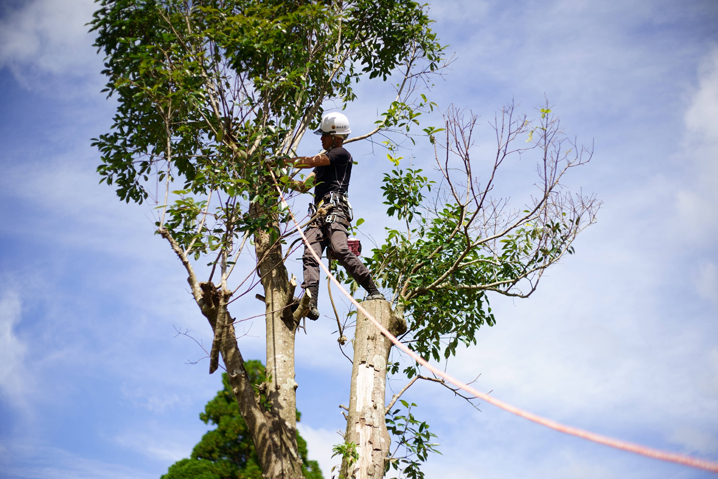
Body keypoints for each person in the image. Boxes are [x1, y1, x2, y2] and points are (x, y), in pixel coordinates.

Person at [287, 112, 384, 320]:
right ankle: (310, 303)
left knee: (340, 249)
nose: (321, 138)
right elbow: (304, 186)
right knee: (310, 255)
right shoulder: (321, 167)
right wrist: (279, 180)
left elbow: (312, 160)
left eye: (324, 135)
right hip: (317, 216)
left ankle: (372, 289)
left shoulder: (341, 154)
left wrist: (284, 161)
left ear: (336, 137)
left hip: (335, 211)